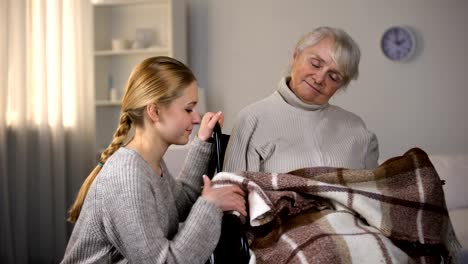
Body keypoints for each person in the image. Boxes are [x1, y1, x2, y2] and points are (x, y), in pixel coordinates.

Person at [62, 56, 247, 264]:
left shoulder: (149, 163)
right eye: (188, 109)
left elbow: (180, 204)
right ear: (155, 111)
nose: (196, 118)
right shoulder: (128, 176)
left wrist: (202, 142)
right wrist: (210, 206)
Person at [223, 26, 379, 173]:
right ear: (296, 56)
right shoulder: (252, 119)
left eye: (333, 77)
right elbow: (231, 191)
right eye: (315, 64)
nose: (319, 78)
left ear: (340, 86)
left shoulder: (357, 128)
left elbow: (374, 194)